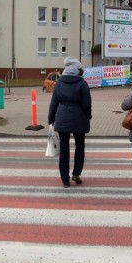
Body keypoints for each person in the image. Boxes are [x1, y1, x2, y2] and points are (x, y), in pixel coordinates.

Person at [47, 56, 92, 188]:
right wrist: (88, 117)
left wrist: (51, 119)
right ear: (77, 70)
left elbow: (53, 103)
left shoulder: (59, 83)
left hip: (62, 118)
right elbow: (87, 104)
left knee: (64, 149)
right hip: (79, 119)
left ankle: (65, 180)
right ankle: (76, 174)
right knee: (80, 146)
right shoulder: (82, 84)